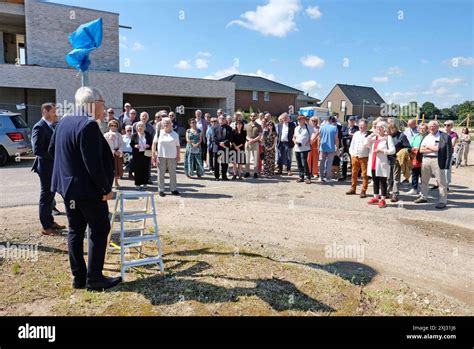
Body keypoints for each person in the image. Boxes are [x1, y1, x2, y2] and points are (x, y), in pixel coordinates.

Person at [49, 86, 121, 291]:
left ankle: (79, 277)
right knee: (99, 229)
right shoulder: (88, 124)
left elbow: (52, 150)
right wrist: (105, 188)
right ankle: (95, 279)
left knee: (75, 230)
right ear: (92, 103)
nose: (104, 107)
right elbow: (93, 164)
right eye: (103, 103)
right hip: (88, 191)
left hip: (69, 189)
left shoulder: (63, 122)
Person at [31, 103, 66, 237]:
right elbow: (37, 150)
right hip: (45, 167)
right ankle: (45, 226)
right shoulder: (39, 127)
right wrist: (55, 156)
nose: (56, 114)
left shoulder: (51, 126)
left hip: (52, 167)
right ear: (45, 111)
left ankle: (50, 222)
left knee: (51, 195)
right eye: (53, 111)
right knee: (46, 196)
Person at [414, 121, 452, 209]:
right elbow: (421, 150)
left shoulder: (444, 136)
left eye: (434, 126)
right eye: (430, 126)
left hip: (437, 160)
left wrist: (428, 147)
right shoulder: (426, 136)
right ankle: (424, 197)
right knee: (424, 180)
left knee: (441, 182)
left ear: (438, 127)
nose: (432, 128)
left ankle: (443, 201)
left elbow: (440, 149)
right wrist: (433, 149)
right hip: (425, 160)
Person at [365, 121, 396, 208]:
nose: (378, 129)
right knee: (375, 181)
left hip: (382, 163)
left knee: (383, 182)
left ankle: (382, 199)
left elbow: (393, 150)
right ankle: (375, 197)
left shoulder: (388, 138)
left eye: (380, 127)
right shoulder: (374, 138)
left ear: (384, 128)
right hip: (373, 162)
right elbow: (365, 144)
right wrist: (371, 135)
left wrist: (382, 151)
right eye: (377, 127)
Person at [152, 118, 180, 197]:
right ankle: (161, 189)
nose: (165, 125)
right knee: (161, 173)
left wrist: (178, 155)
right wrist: (154, 154)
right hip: (161, 156)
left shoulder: (175, 134)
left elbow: (178, 146)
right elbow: (154, 144)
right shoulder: (159, 133)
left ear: (171, 124)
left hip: (172, 156)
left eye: (167, 123)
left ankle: (173, 189)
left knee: (172, 173)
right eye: (164, 123)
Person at [346, 118, 371, 198]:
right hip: (355, 156)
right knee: (354, 174)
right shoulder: (356, 133)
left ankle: (363, 190)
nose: (361, 127)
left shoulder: (369, 135)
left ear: (366, 126)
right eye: (360, 126)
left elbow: (370, 147)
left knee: (364, 175)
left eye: (363, 126)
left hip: (364, 157)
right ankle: (353, 188)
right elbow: (352, 145)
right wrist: (352, 154)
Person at [387, 123, 410, 202]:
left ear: (396, 128)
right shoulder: (387, 136)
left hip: (397, 159)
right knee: (388, 177)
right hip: (387, 159)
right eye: (389, 129)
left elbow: (408, 147)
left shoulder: (402, 136)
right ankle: (386, 192)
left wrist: (401, 153)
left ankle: (395, 194)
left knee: (395, 177)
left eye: (392, 128)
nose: (390, 130)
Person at [130, 121, 153, 189]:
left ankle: (145, 183)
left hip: (146, 153)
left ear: (144, 127)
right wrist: (135, 145)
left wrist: (148, 145)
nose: (140, 127)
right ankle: (138, 184)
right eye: (139, 126)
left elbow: (151, 142)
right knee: (137, 169)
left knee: (145, 168)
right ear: (136, 128)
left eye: (142, 126)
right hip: (137, 154)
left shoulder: (148, 134)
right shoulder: (134, 135)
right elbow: (131, 143)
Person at [407, 123, 428, 195]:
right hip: (415, 158)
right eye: (421, 128)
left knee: (424, 175)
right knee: (414, 174)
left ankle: (423, 190)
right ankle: (414, 188)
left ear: (426, 129)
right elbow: (410, 145)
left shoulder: (428, 137)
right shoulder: (415, 136)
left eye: (424, 128)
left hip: (424, 158)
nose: (422, 130)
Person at [293, 115, 314, 184]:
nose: (299, 121)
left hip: (305, 148)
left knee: (304, 162)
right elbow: (294, 137)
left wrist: (310, 141)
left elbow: (313, 135)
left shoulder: (308, 127)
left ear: (304, 120)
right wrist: (294, 141)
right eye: (298, 120)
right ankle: (301, 176)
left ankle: (308, 177)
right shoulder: (296, 128)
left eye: (300, 120)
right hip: (297, 148)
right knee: (299, 163)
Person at [104, 119, 124, 188]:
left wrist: (119, 151)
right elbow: (105, 145)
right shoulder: (106, 135)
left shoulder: (119, 135)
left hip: (117, 153)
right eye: (112, 125)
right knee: (110, 168)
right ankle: (109, 183)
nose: (113, 127)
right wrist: (113, 151)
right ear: (109, 126)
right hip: (110, 153)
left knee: (117, 168)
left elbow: (122, 144)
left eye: (115, 125)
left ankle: (116, 182)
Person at [212, 115, 233, 181]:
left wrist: (224, 143)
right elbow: (213, 137)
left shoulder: (229, 128)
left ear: (225, 120)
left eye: (223, 119)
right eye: (220, 119)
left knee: (225, 162)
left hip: (225, 147)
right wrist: (219, 143)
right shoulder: (214, 127)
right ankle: (216, 176)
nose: (221, 120)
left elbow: (230, 138)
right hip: (217, 147)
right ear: (218, 120)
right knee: (216, 163)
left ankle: (224, 176)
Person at [319, 116, 340, 182]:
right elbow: (336, 139)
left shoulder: (321, 127)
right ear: (331, 120)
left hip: (322, 147)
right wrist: (337, 147)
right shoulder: (334, 128)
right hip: (331, 147)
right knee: (329, 163)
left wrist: (318, 146)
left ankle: (321, 177)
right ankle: (328, 178)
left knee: (322, 162)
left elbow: (319, 138)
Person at [340, 116, 359, 181]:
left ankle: (353, 175)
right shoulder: (345, 127)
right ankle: (343, 175)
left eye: (353, 121)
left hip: (352, 148)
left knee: (352, 162)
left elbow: (356, 134)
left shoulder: (356, 128)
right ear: (348, 121)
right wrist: (349, 134)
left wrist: (348, 135)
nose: (351, 122)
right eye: (350, 120)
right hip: (345, 148)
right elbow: (342, 134)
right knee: (344, 161)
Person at [244, 113, 262, 179]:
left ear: (256, 117)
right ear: (250, 117)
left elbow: (260, 135)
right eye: (251, 116)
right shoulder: (246, 125)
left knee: (256, 158)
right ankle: (247, 172)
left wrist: (253, 140)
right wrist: (249, 140)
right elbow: (244, 135)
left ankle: (255, 172)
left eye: (254, 116)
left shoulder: (259, 126)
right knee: (247, 158)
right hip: (248, 143)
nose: (252, 117)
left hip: (255, 143)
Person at [443, 120, 458, 189]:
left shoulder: (453, 134)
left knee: (447, 170)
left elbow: (452, 144)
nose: (446, 126)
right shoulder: (441, 133)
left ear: (451, 126)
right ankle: (439, 184)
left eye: (448, 125)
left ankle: (446, 185)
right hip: (440, 153)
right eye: (445, 125)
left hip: (448, 154)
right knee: (439, 169)